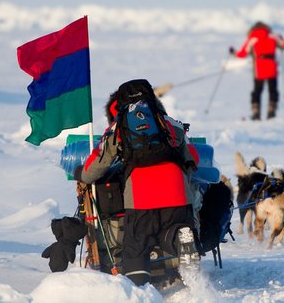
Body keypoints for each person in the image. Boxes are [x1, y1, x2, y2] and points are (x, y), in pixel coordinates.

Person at [74, 79, 200, 287]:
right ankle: (180, 236)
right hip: (177, 192)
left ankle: (139, 291)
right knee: (172, 229)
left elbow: (97, 163)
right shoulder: (168, 122)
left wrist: (82, 174)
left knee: (135, 247)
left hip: (141, 197)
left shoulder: (119, 126)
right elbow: (193, 159)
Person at [229, 21, 284, 120]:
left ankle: (256, 112)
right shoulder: (273, 36)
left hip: (259, 67)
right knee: (272, 90)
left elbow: (242, 53)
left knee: (257, 90)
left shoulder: (253, 38)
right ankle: (271, 110)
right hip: (271, 66)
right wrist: (281, 38)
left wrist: (233, 52)